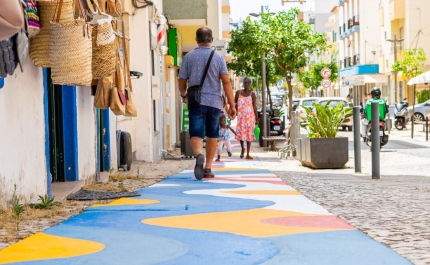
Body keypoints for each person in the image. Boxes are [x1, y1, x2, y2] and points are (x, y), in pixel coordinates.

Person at [178, 27, 236, 180]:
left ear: (196, 40)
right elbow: (226, 82)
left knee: (196, 133)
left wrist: (184, 95)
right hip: (215, 103)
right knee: (212, 135)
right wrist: (232, 105)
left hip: (196, 101)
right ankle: (208, 168)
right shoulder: (218, 58)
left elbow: (182, 81)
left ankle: (198, 155)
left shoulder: (189, 57)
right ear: (211, 40)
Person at [235, 77, 258, 160]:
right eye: (245, 82)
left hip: (250, 118)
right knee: (241, 135)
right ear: (243, 83)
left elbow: (254, 107)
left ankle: (248, 153)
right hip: (241, 118)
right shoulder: (238, 93)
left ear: (250, 84)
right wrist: (234, 112)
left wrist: (257, 118)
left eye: (248, 83)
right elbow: (235, 104)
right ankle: (242, 149)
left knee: (249, 135)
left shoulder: (252, 94)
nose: (247, 84)